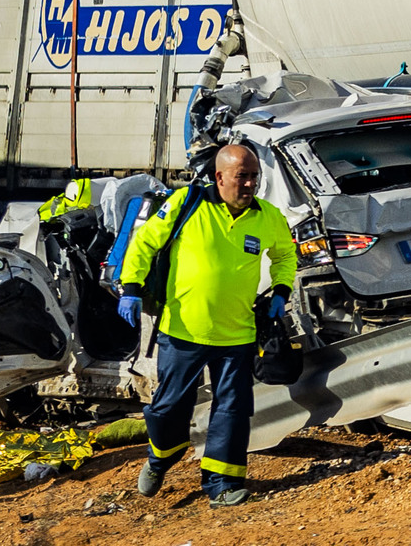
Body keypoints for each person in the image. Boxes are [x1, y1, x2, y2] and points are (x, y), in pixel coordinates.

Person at [118, 143, 296, 508]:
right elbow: (144, 243)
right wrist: (131, 287)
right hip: (183, 331)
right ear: (219, 177)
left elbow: (285, 254)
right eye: (241, 177)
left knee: (232, 410)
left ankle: (222, 484)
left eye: (253, 177)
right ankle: (161, 456)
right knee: (168, 409)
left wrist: (281, 288)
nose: (248, 185)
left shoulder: (268, 216)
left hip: (238, 334)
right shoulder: (188, 203)